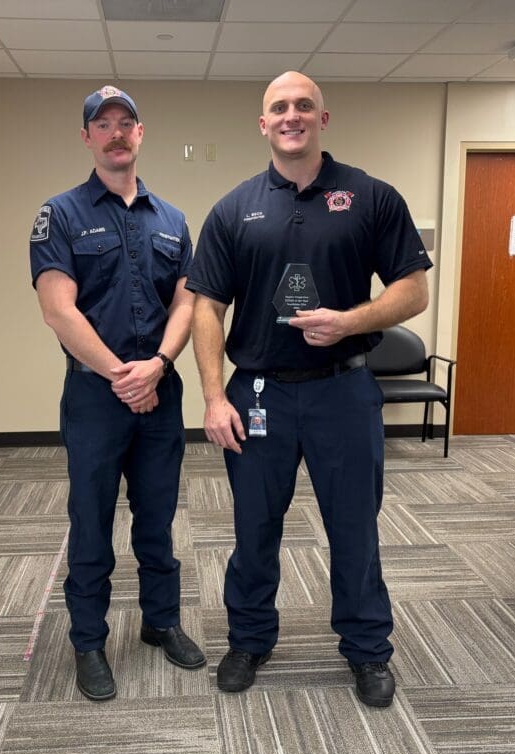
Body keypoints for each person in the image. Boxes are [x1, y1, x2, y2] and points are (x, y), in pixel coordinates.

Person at [186, 72, 431, 708]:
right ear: (262, 125)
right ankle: (248, 639)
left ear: (323, 118)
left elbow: (413, 289)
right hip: (258, 395)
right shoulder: (235, 208)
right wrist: (214, 397)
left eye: (303, 106)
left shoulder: (370, 196)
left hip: (342, 393)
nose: (291, 115)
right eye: (278, 108)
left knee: (354, 527)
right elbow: (206, 306)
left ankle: (368, 649)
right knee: (254, 526)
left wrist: (350, 321)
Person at [29, 85, 204, 702]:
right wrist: (122, 376)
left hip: (161, 389)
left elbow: (187, 301)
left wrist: (156, 365)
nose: (114, 132)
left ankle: (161, 622)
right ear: (87, 138)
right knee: (92, 523)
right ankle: (88, 641)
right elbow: (59, 311)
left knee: (157, 519)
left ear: (140, 133)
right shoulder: (61, 214)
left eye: (124, 122)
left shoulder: (174, 221)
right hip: (96, 399)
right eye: (101, 124)